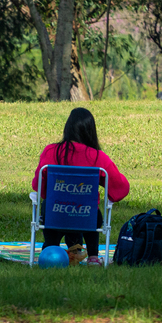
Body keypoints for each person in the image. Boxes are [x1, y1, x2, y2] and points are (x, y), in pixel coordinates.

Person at [31, 107, 129, 266]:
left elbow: (39, 187)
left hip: (54, 215)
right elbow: (120, 190)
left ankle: (50, 248)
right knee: (91, 211)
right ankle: (93, 256)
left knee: (48, 205)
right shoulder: (98, 158)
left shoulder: (51, 152)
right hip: (86, 218)